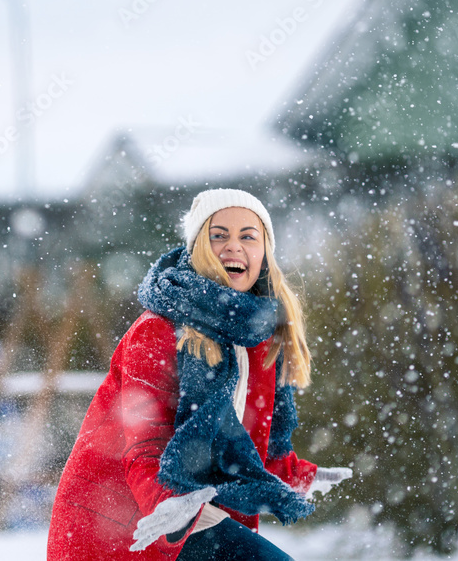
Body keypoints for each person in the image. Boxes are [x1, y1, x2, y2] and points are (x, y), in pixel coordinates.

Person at [47, 189, 352, 560]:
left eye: (248, 236)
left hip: (192, 513)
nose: (233, 246)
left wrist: (294, 474)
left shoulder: (259, 337)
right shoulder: (158, 329)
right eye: (218, 235)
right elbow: (145, 445)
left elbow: (250, 443)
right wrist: (168, 503)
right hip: (122, 521)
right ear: (197, 248)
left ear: (264, 253)